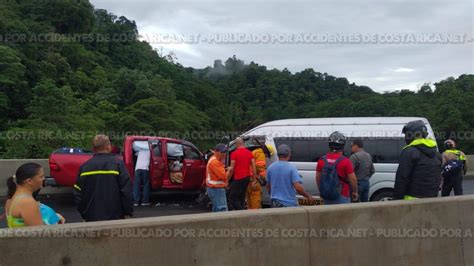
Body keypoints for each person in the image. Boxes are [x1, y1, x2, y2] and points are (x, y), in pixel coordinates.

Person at [74, 134, 133, 221]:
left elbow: (78, 194)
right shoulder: (118, 164)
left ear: (94, 148)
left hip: (91, 218)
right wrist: (128, 212)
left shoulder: (85, 167)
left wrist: (84, 213)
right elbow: (126, 191)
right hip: (115, 218)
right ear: (108, 146)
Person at [5, 163, 65, 228]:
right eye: (41, 176)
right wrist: (55, 223)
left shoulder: (10, 200)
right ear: (29, 181)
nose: (44, 178)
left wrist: (55, 216)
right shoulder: (27, 203)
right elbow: (38, 234)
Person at [393, 120, 442, 200]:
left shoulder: (409, 152)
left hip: (411, 201)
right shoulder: (436, 153)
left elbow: (402, 179)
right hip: (432, 200)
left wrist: (396, 201)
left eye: (407, 134)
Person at [316, 131, 358, 204]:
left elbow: (318, 177)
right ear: (342, 145)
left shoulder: (321, 160)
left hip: (326, 195)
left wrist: (321, 190)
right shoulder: (346, 161)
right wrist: (355, 192)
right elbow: (353, 179)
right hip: (342, 195)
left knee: (327, 215)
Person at [226, 137, 257, 210]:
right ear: (243, 144)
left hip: (239, 178)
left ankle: (241, 211)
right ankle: (242, 213)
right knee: (242, 197)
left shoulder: (234, 153)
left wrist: (227, 180)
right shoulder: (249, 153)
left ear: (236, 144)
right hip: (247, 178)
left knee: (232, 197)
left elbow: (231, 169)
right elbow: (254, 166)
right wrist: (254, 180)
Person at [246, 144, 274, 209]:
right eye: (267, 155)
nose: (266, 157)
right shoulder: (260, 154)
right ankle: (255, 216)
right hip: (254, 181)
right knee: (256, 201)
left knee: (249, 201)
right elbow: (260, 168)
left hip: (248, 179)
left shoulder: (254, 152)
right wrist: (264, 179)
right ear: (266, 152)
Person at [206, 143, 229, 212]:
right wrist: (230, 171)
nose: (224, 154)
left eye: (225, 152)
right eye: (222, 152)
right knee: (222, 210)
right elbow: (224, 176)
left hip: (214, 189)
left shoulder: (215, 160)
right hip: (216, 189)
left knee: (217, 211)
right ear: (216, 152)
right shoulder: (215, 162)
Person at [132, 141, 151, 207]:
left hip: (137, 168)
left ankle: (136, 202)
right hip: (145, 168)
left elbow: (135, 153)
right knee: (146, 185)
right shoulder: (150, 150)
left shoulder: (140, 150)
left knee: (136, 185)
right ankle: (144, 202)